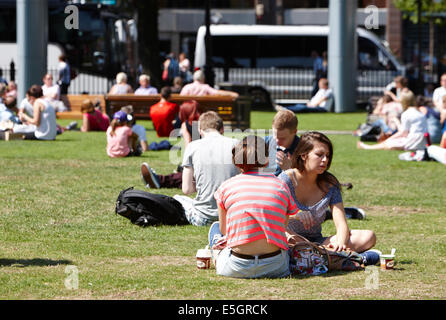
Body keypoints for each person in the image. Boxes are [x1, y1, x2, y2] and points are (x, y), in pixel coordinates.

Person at [279, 131, 377, 260]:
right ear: (304, 155)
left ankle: (319, 255)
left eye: (327, 156)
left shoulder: (330, 184)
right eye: (319, 155)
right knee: (282, 236)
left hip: (319, 242)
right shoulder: (285, 180)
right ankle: (328, 256)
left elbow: (341, 223)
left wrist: (341, 244)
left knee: (368, 237)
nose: (325, 160)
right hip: (289, 238)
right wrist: (295, 215)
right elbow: (272, 217)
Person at [210, 135, 298, 279]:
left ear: (236, 162)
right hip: (275, 265)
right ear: (267, 160)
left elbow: (224, 230)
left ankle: (215, 255)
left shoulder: (226, 187)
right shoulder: (281, 185)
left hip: (236, 266)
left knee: (215, 229)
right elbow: (282, 227)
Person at [141, 111, 239, 226]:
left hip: (204, 217)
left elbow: (187, 190)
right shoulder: (236, 144)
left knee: (178, 198)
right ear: (222, 129)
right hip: (232, 217)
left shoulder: (193, 146)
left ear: (200, 130)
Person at [357, 90, 428, 151]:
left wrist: (389, 138)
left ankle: (368, 147)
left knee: (388, 143)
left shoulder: (406, 114)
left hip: (413, 142)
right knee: (391, 142)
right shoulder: (418, 112)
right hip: (423, 142)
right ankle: (368, 147)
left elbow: (403, 133)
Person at [264, 110, 300, 176]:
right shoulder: (265, 143)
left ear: (294, 132)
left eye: (283, 138)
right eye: (275, 136)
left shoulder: (303, 149)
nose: (277, 141)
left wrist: (289, 169)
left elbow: (306, 181)